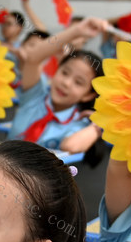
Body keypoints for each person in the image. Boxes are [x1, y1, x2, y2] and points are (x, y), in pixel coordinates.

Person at [6, 17, 106, 155]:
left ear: (88, 95)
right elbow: (33, 57)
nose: (66, 83)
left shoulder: (79, 121)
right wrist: (77, 30)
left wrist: (98, 125)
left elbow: (70, 146)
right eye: (64, 73)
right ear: (56, 71)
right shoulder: (35, 95)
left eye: (78, 82)